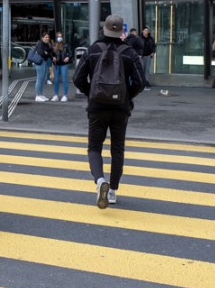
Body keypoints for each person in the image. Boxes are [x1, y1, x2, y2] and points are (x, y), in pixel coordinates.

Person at [73, 15, 145, 209]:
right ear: (121, 31)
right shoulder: (130, 53)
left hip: (97, 108)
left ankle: (99, 181)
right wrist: (125, 96)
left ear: (104, 29)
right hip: (120, 109)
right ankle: (112, 190)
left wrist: (92, 93)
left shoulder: (93, 50)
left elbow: (78, 78)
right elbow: (140, 82)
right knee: (117, 149)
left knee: (94, 147)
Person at [51, 31, 72, 102]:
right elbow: (52, 54)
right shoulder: (54, 45)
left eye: (61, 36)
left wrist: (68, 57)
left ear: (62, 37)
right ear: (56, 37)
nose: (59, 38)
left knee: (64, 80)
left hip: (64, 64)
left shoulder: (66, 45)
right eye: (58, 36)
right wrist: (52, 58)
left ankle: (65, 95)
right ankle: (56, 95)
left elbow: (70, 53)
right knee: (56, 80)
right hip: (56, 65)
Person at [33, 32, 52, 102]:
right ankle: (38, 95)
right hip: (40, 62)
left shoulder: (46, 44)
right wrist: (46, 53)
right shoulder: (40, 44)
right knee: (39, 78)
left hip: (44, 61)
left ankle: (40, 94)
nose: (47, 38)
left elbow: (49, 53)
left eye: (48, 37)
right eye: (46, 37)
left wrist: (46, 53)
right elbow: (42, 53)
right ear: (42, 38)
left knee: (42, 78)